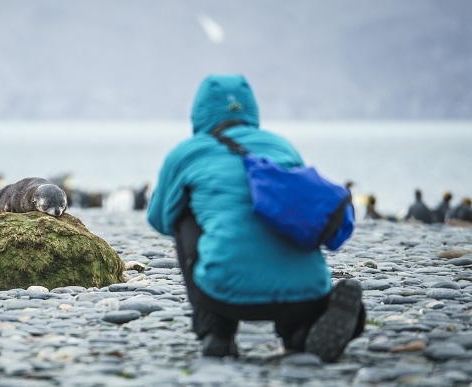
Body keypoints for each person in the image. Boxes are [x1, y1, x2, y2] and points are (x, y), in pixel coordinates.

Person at [147, 74, 365, 363]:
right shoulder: (281, 147)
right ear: (251, 108)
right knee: (283, 209)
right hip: (305, 293)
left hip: (224, 294)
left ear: (199, 111)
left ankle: (216, 332)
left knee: (181, 213)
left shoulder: (187, 153)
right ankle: (302, 334)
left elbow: (160, 219)